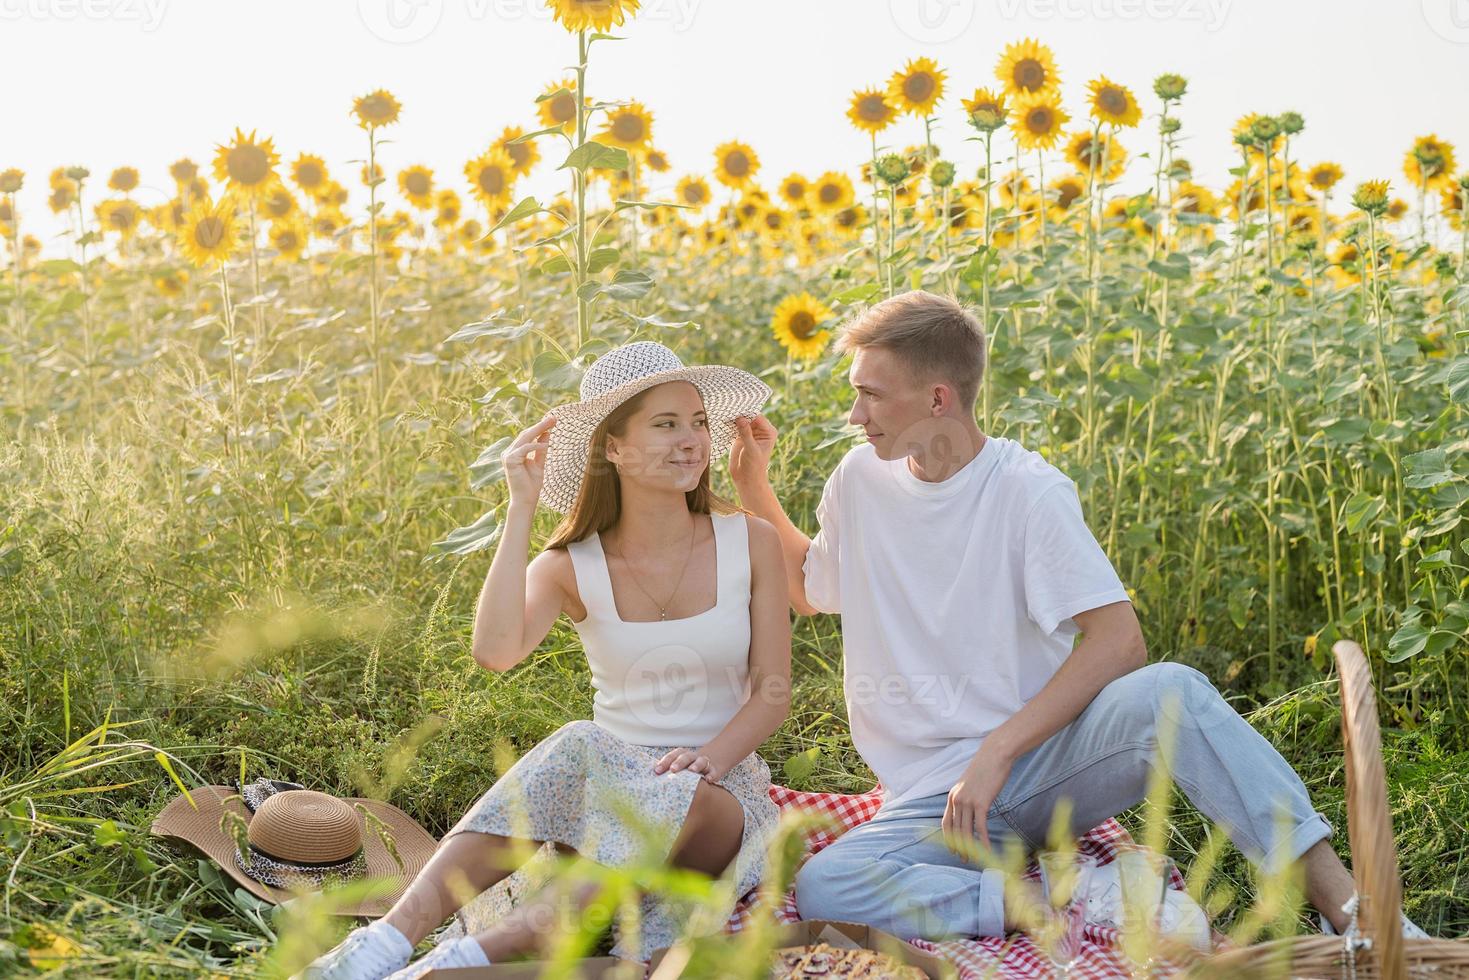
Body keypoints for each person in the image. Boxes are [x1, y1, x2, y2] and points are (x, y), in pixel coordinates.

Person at [726, 289, 1429, 947]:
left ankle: (1360, 915)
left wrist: (997, 749)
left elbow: (1119, 641)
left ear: (937, 397)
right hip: (932, 802)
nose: (855, 416)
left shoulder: (1026, 492)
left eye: (869, 395)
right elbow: (812, 591)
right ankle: (1071, 897)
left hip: (1042, 768)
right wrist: (752, 483)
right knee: (828, 884)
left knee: (1171, 692)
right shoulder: (857, 481)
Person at [303, 341, 791, 979]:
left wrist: (710, 759)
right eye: (666, 425)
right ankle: (388, 944)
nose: (692, 440)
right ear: (612, 448)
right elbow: (496, 652)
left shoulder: (749, 540)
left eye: (698, 422)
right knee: (578, 739)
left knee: (680, 792)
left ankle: (456, 962)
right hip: (609, 799)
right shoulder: (569, 567)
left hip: (723, 796)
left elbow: (773, 692)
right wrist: (520, 509)